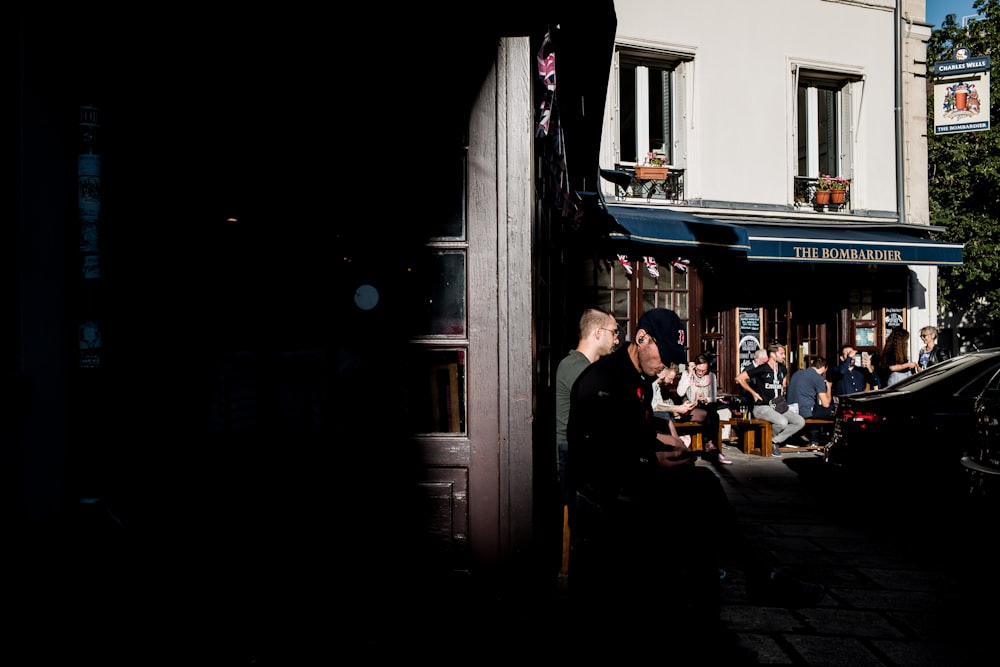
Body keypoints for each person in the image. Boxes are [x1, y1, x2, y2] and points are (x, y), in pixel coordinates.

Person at [566, 308, 824, 657]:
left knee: (701, 499)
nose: (666, 368)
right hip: (609, 494)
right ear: (641, 339)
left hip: (634, 482)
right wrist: (649, 457)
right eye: (664, 357)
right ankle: (743, 593)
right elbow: (594, 450)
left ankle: (721, 616)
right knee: (701, 498)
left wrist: (662, 440)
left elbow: (630, 432)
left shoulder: (638, 379)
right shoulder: (602, 380)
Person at [554, 306, 618, 507]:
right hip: (569, 458)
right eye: (614, 332)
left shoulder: (586, 368)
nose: (617, 339)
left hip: (580, 455)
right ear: (598, 333)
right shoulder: (575, 366)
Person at [734, 343, 805, 456]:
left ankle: (773, 441)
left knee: (799, 422)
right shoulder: (762, 368)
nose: (784, 356)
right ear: (772, 354)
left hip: (778, 405)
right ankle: (766, 440)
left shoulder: (782, 369)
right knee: (782, 422)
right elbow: (739, 378)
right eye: (781, 353)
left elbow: (784, 381)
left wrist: (782, 388)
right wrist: (753, 393)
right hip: (762, 406)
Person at [676, 354, 733, 464]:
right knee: (711, 415)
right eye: (699, 370)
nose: (701, 373)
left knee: (713, 414)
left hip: (705, 407)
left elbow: (713, 396)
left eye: (704, 371)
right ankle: (713, 447)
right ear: (695, 366)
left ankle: (712, 446)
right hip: (689, 407)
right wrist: (689, 373)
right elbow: (680, 392)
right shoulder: (687, 374)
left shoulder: (711, 376)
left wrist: (706, 398)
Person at [786, 356, 834, 447]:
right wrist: (829, 388)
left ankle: (799, 439)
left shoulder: (797, 373)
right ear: (824, 368)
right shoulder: (817, 378)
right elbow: (826, 403)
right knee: (832, 411)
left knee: (815, 409)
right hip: (805, 410)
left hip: (790, 409)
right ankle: (815, 440)